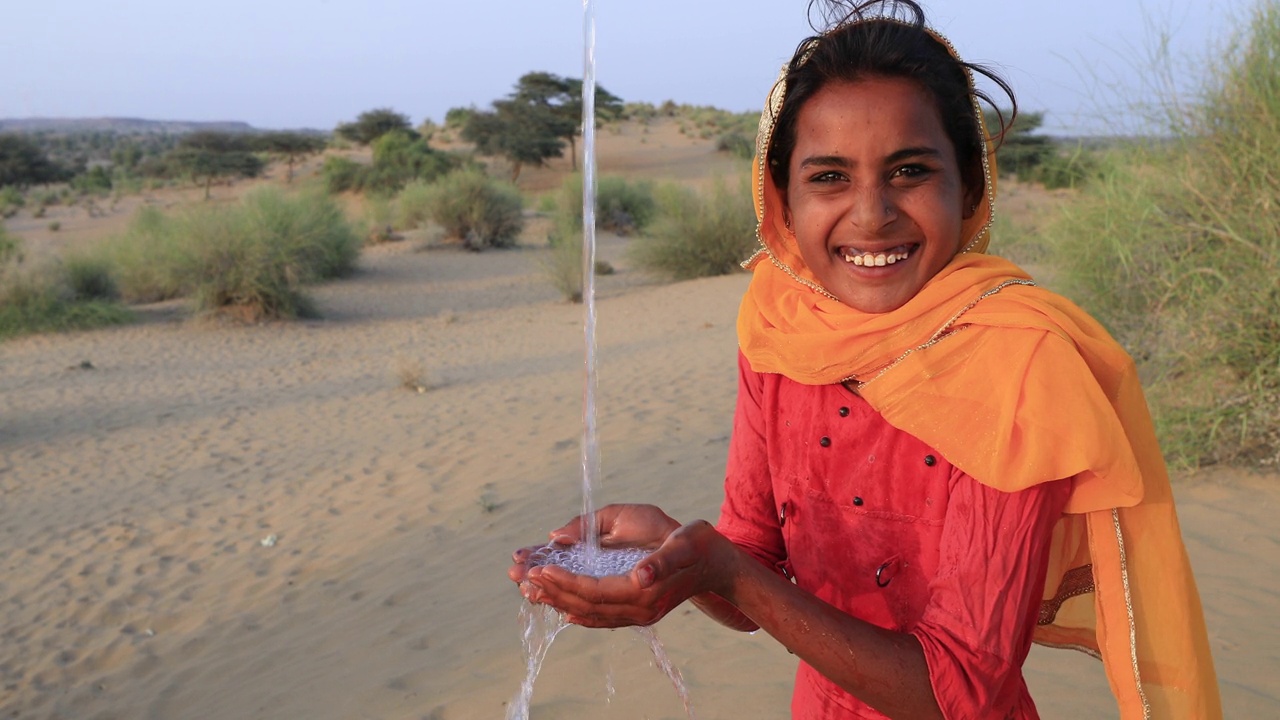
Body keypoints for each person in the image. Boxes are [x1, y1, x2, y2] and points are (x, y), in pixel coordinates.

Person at [508, 1, 1221, 717]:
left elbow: (962, 694)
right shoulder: (778, 330)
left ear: (968, 187)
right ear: (781, 198)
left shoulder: (1017, 364)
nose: (872, 213)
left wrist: (723, 571)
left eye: (909, 171)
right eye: (829, 177)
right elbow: (752, 573)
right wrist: (675, 553)